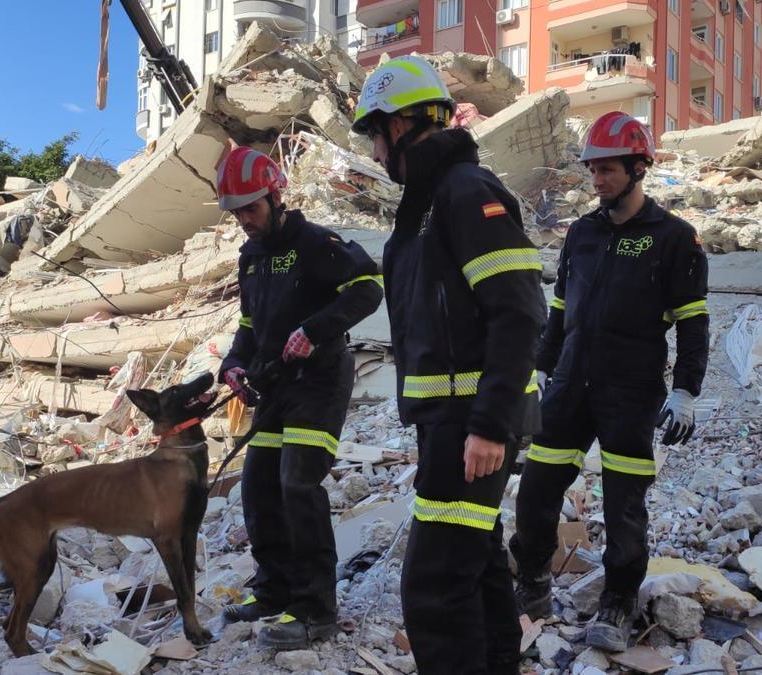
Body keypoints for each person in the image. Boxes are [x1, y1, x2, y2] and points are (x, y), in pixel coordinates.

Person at [351, 55, 546, 674]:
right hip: (450, 422)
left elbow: (518, 313)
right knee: (480, 566)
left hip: (473, 423)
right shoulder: (426, 206)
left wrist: (491, 423)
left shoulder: (467, 192)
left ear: (403, 125)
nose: (376, 156)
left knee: (432, 587)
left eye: (377, 137)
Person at [509, 111, 710, 652]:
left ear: (639, 167)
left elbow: (693, 323)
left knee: (623, 506)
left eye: (608, 170)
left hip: (631, 391)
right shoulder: (581, 233)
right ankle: (530, 585)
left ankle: (617, 604)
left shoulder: (675, 239)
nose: (597, 181)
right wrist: (541, 369)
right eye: (593, 170)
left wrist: (686, 390)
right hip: (570, 386)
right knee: (535, 495)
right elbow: (558, 310)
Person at [216, 145, 383, 650]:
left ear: (275, 195)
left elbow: (369, 286)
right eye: (237, 211)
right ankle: (275, 590)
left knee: (297, 487)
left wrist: (315, 330)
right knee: (259, 488)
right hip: (275, 388)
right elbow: (249, 326)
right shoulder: (251, 257)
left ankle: (315, 611)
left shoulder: (316, 242)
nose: (245, 219)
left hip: (320, 381)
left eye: (252, 207)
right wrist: (233, 364)